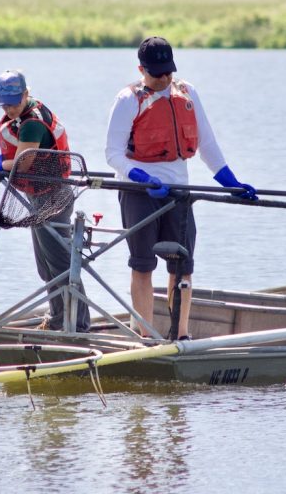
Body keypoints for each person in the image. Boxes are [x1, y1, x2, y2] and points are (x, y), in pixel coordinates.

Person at [105, 36, 256, 340]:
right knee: (143, 265)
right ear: (141, 69)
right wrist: (141, 178)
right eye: (156, 73)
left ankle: (181, 335)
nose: (163, 79)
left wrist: (231, 182)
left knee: (182, 268)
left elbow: (206, 144)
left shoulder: (187, 93)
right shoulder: (128, 99)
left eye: (167, 72)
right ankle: (144, 336)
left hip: (179, 196)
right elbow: (112, 153)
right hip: (139, 194)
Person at [0, 70, 91, 332]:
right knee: (46, 266)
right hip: (39, 196)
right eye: (5, 104)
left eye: (14, 102)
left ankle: (76, 326)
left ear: (25, 93)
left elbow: (23, 163)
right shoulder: (23, 116)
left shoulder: (33, 122)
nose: (10, 109)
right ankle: (59, 319)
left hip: (52, 197)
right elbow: (17, 155)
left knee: (60, 264)